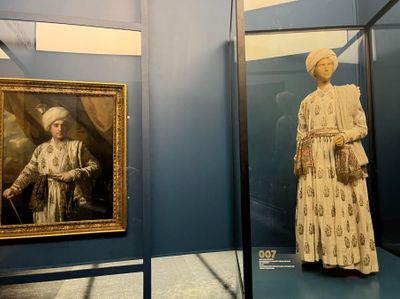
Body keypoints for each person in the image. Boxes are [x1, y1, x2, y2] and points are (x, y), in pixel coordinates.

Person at [294, 48, 379, 274]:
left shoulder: (347, 95)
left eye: (330, 64)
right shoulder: (307, 102)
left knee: (344, 206)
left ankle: (347, 258)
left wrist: (345, 136)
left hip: (340, 156)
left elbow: (362, 127)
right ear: (313, 70)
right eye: (322, 65)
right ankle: (319, 256)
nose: (327, 68)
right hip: (316, 162)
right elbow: (301, 134)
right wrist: (301, 161)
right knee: (318, 207)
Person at [3, 106, 100, 224]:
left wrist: (73, 173)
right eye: (56, 125)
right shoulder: (41, 149)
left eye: (63, 125)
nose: (60, 128)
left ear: (68, 127)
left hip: (70, 197)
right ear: (49, 127)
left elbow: (95, 167)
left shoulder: (77, 146)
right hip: (45, 197)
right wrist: (14, 188)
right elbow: (29, 171)